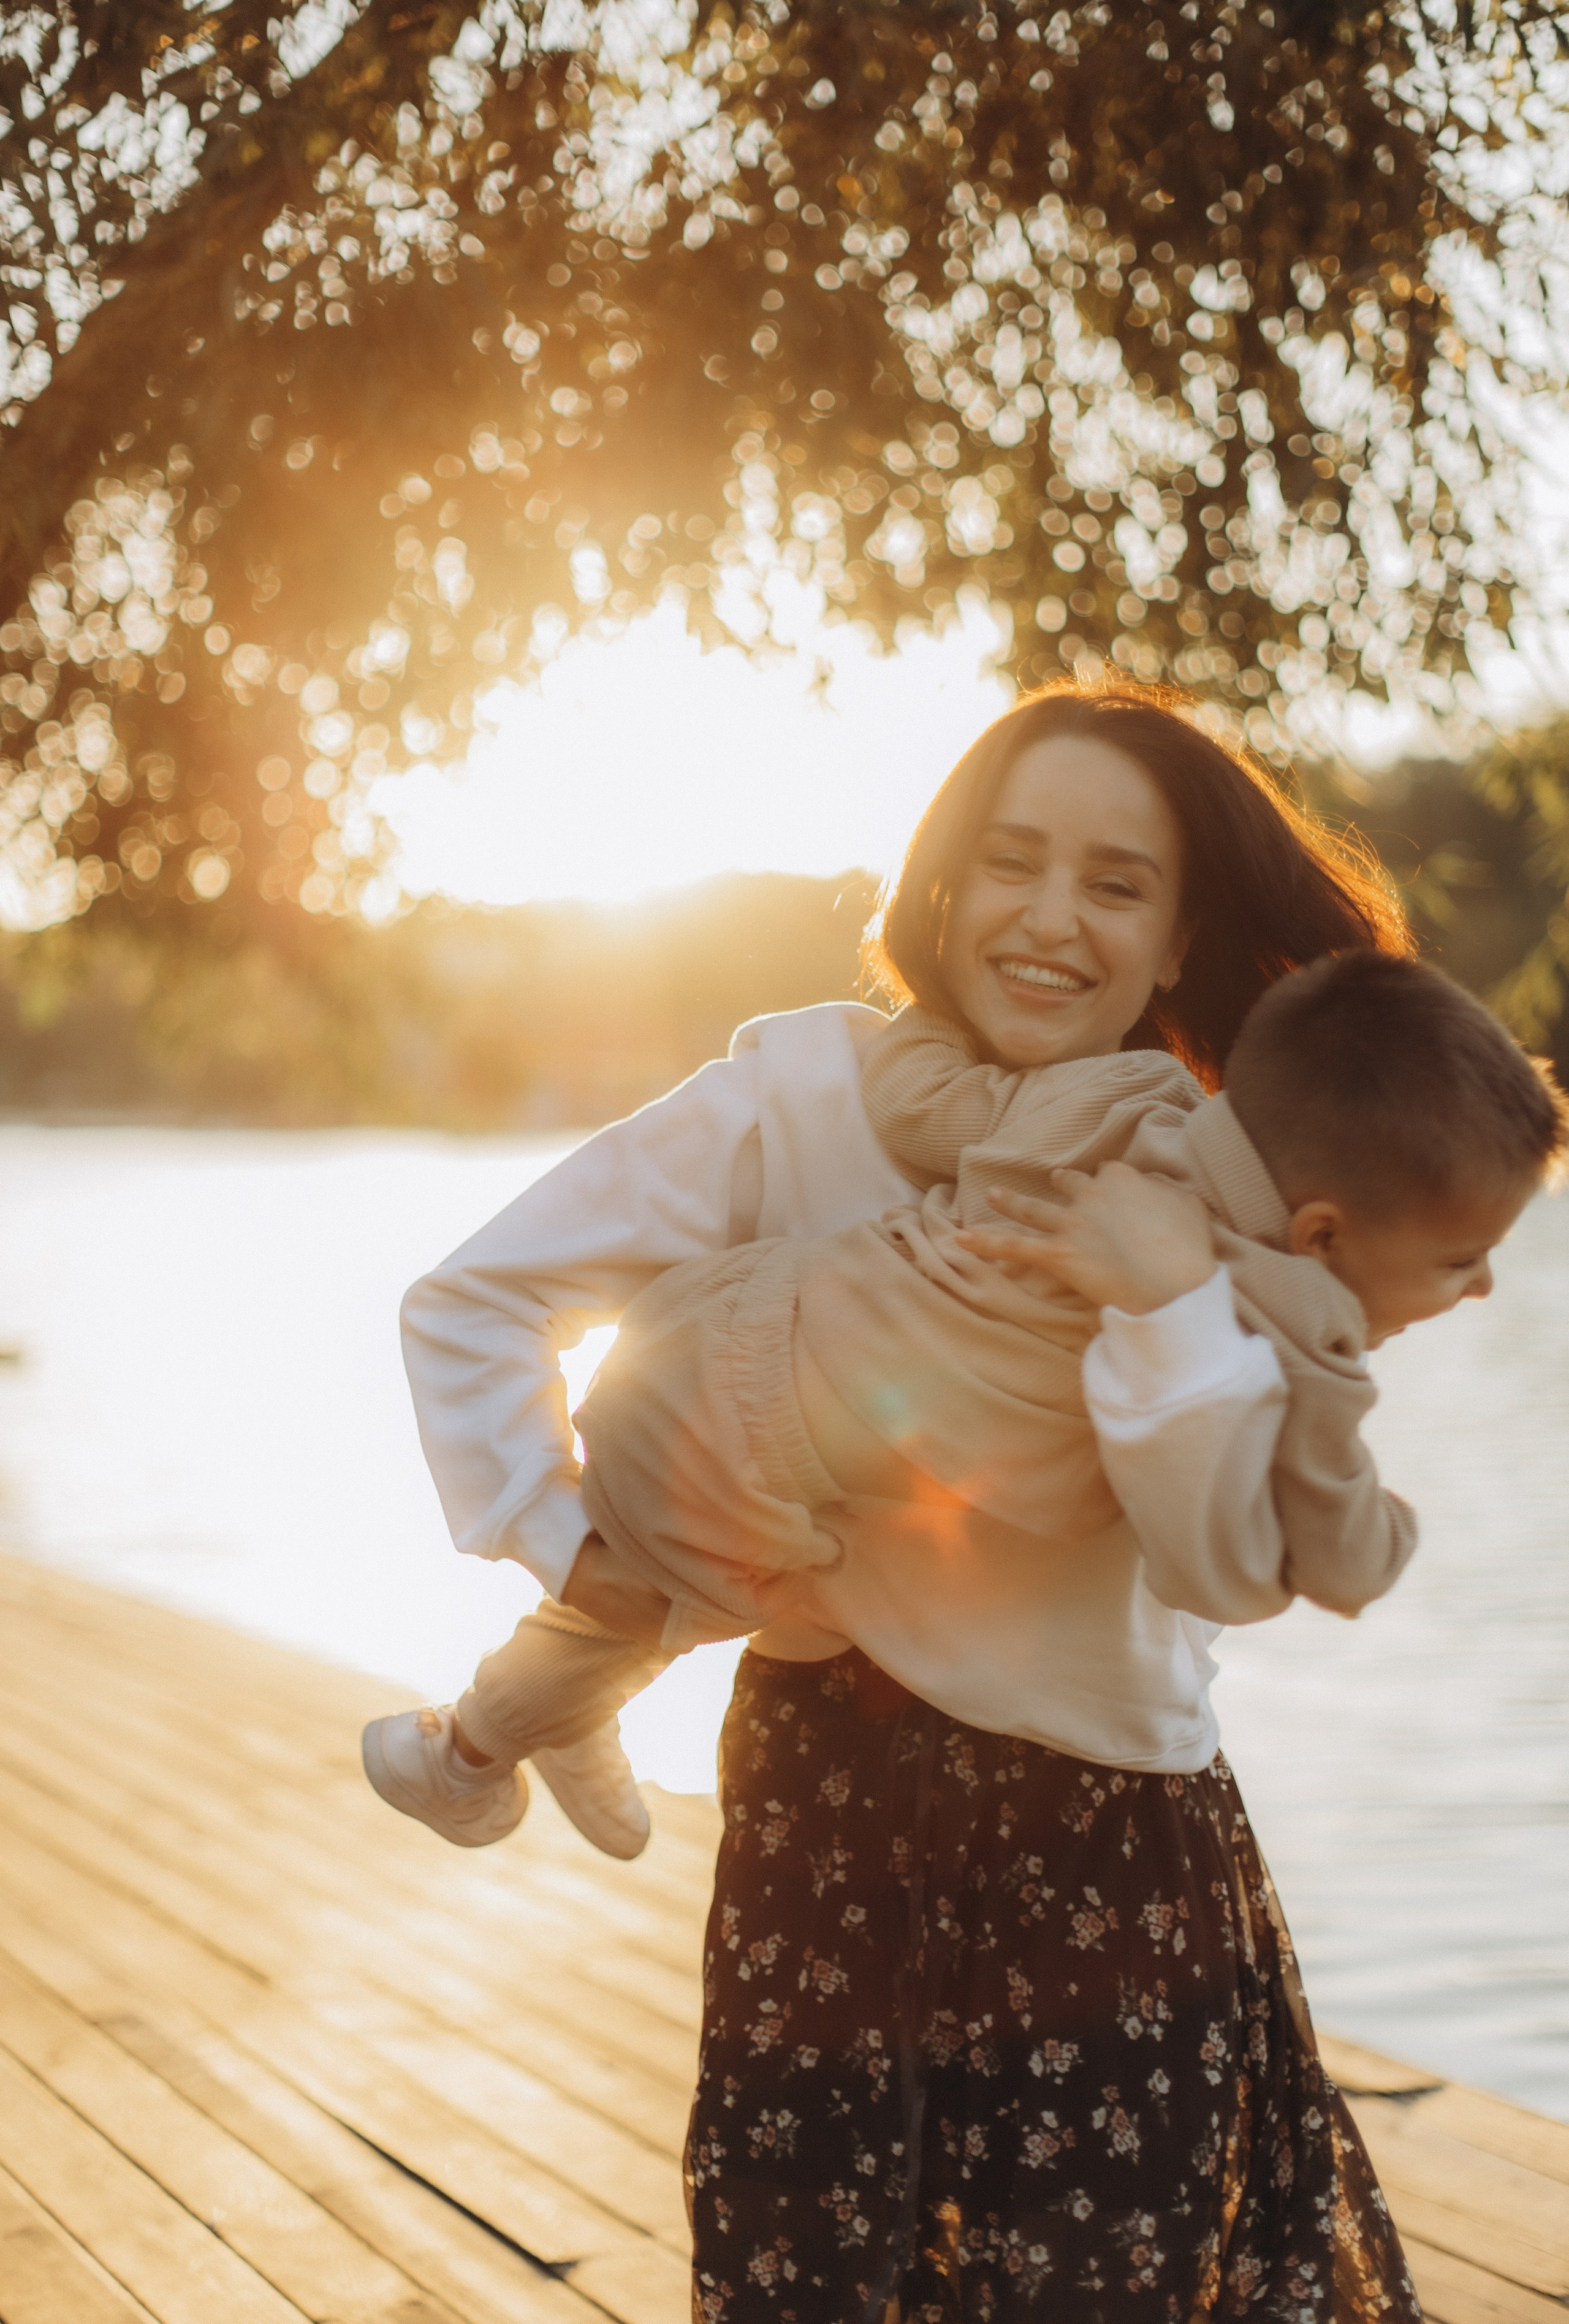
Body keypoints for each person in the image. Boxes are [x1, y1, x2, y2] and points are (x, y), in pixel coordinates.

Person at [393, 683, 1467, 2315]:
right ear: (946, 885)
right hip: (828, 1819)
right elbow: (475, 1303)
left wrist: (1171, 1298)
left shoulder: (1213, 1174)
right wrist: (584, 1557)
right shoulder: (797, 1092)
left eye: (1115, 884)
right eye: (1012, 863)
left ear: (1178, 939)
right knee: (809, 2285)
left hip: (1117, 1844)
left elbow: (1222, 1560)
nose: (1050, 919)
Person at [367, 950, 1562, 1813]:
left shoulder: (1122, 1093)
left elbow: (917, 1099)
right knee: (713, 1586)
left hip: (707, 1322)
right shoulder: (1293, 1315)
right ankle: (465, 1755)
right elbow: (1331, 1553)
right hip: (759, 1457)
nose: (1479, 1290)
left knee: (668, 1581)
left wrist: (939, 1006)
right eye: (1461, 1259)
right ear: (1319, 1234)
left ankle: (558, 1708)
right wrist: (1393, 1530)